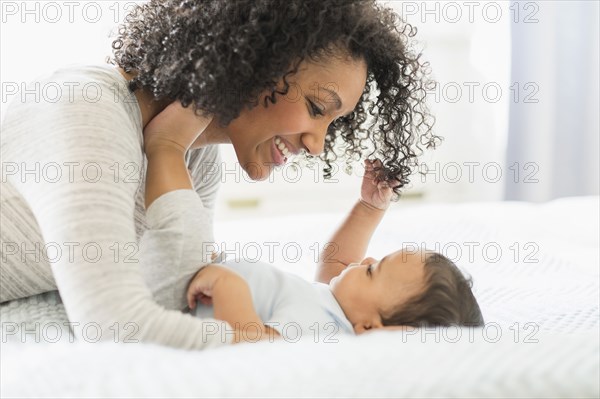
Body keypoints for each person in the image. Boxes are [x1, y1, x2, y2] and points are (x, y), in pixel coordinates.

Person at [0, 0, 438, 349]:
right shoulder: (87, 113)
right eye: (316, 108)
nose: (317, 144)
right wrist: (256, 343)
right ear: (253, 63)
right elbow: (116, 325)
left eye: (332, 124)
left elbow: (177, 289)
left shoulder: (195, 158)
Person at [140, 130, 483, 344]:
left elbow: (251, 351)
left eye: (372, 271)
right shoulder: (334, 310)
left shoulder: (320, 331)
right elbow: (338, 262)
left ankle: (165, 143)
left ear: (371, 329)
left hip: (170, 300)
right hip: (188, 279)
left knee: (174, 195)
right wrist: (369, 207)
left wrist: (229, 288)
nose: (365, 259)